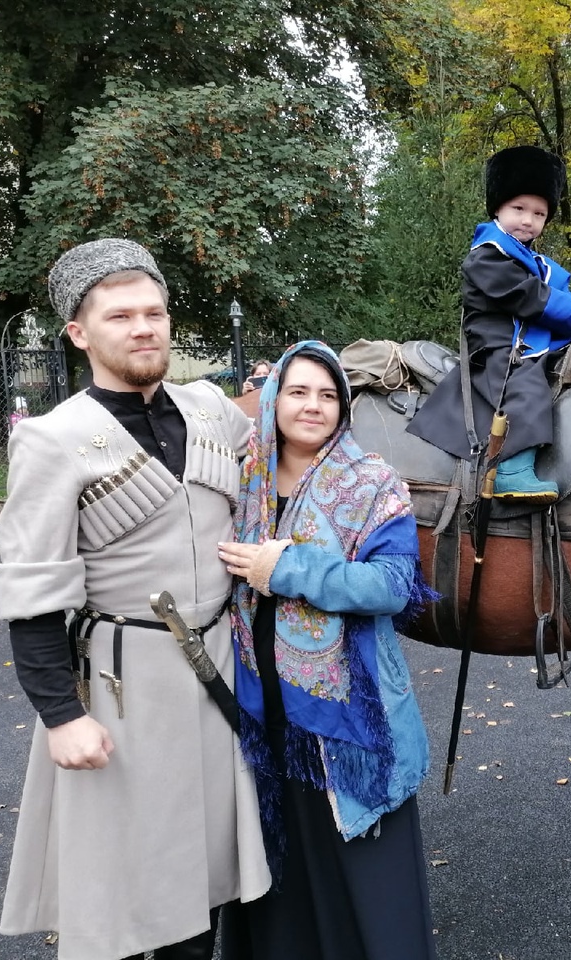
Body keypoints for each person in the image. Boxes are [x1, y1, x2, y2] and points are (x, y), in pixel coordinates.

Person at [0, 239, 271, 959]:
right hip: (119, 687)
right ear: (80, 333)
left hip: (216, 676)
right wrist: (60, 715)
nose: (144, 327)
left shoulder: (211, 410)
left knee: (204, 880)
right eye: (121, 316)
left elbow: (293, 455)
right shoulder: (52, 441)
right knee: (121, 891)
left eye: (155, 312)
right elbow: (33, 592)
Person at [217, 341, 437, 960]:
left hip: (346, 720)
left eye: (328, 394)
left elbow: (394, 586)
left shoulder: (370, 482)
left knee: (362, 871)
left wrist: (286, 567)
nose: (313, 405)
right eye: (298, 391)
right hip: (260, 710)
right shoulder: (242, 479)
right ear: (272, 398)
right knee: (277, 866)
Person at [407, 145, 571, 503]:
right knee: (525, 385)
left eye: (539, 213)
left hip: (526, 339)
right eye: (519, 209)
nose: (528, 220)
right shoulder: (488, 255)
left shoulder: (533, 260)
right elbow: (527, 296)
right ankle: (510, 469)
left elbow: (556, 293)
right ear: (498, 208)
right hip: (495, 345)